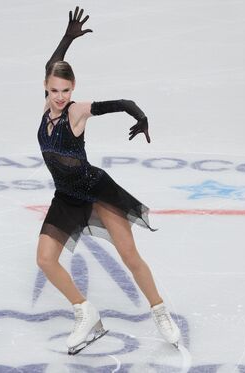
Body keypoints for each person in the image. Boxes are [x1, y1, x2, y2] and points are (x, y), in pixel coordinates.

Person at [36, 6, 181, 355]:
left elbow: (123, 102)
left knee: (130, 256)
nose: (60, 96)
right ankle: (85, 312)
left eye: (66, 90)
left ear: (73, 89)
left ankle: (160, 310)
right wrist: (67, 38)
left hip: (96, 192)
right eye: (55, 89)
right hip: (66, 197)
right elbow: (52, 62)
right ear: (46, 87)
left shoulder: (75, 111)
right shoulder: (46, 107)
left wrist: (141, 117)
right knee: (44, 259)